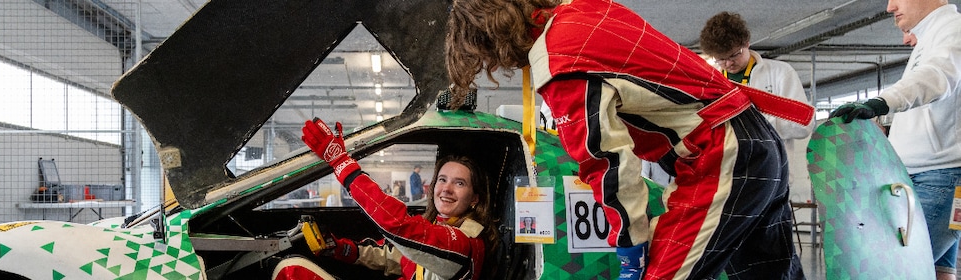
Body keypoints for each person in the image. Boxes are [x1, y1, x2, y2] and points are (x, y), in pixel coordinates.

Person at [444, 0, 812, 279]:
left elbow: (605, 161)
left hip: (722, 153)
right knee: (768, 272)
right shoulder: (587, 9)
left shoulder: (559, 64)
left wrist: (629, 245)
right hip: (758, 141)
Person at [829, 1, 961, 279]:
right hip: (930, 175)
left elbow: (937, 77)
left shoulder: (953, 29)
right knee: (937, 271)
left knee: (894, 272)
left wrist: (882, 102)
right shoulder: (933, 34)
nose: (890, 7)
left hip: (943, 176)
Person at [271, 119, 495, 280]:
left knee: (291, 271)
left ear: (475, 198)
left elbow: (398, 225)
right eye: (442, 180)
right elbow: (393, 256)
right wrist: (340, 249)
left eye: (459, 183)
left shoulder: (464, 243)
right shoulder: (439, 228)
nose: (446, 189)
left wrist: (341, 163)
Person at [699, 12, 816, 199]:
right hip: (726, 179)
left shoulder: (780, 73)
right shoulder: (711, 80)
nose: (728, 63)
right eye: (720, 58)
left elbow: (803, 125)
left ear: (747, 43)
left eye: (734, 55)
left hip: (772, 179)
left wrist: (755, 125)